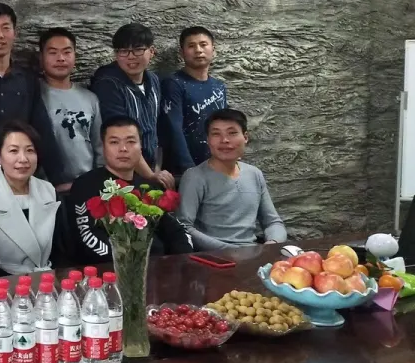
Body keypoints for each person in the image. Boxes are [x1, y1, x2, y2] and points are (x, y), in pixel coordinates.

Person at [59, 117, 193, 264]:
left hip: (159, 267)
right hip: (112, 268)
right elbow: (87, 236)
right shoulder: (86, 185)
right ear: (103, 147)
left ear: (140, 147)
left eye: (131, 142)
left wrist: (183, 261)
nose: (123, 149)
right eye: (114, 142)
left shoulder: (148, 187)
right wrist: (131, 264)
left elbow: (176, 230)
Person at [0, 3, 63, 185]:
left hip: (21, 176)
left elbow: (41, 127)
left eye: (5, 28)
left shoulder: (27, 80)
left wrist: (57, 176)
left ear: (15, 33)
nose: (0, 35)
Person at [0, 120, 61, 280]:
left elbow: (62, 250)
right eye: (14, 151)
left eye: (30, 150)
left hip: (48, 282)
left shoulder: (49, 191)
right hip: (3, 285)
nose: (23, 158)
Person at [177, 109, 286, 249]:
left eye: (232, 133)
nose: (225, 140)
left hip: (253, 253)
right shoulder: (194, 177)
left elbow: (272, 222)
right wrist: (231, 251)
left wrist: (272, 244)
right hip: (213, 257)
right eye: (216, 134)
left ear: (245, 137)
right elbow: (184, 227)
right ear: (208, 140)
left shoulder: (254, 174)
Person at [90, 23, 173, 189]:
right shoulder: (108, 84)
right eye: (123, 51)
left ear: (152, 51)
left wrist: (156, 170)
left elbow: (155, 128)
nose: (131, 57)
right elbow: (121, 135)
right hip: (122, 176)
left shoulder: (153, 80)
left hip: (149, 169)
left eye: (138, 50)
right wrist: (150, 176)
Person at [39, 27, 103, 192]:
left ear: (75, 56)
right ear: (41, 58)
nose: (60, 58)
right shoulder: (34, 96)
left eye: (67, 52)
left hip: (87, 187)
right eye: (53, 52)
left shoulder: (90, 98)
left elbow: (99, 147)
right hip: (45, 190)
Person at [161, 27, 229, 176]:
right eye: (191, 46)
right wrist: (190, 169)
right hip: (184, 171)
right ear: (182, 53)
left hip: (217, 167)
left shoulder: (219, 86)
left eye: (203, 44)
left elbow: (225, 126)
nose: (198, 50)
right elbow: (173, 128)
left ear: (213, 49)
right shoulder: (174, 84)